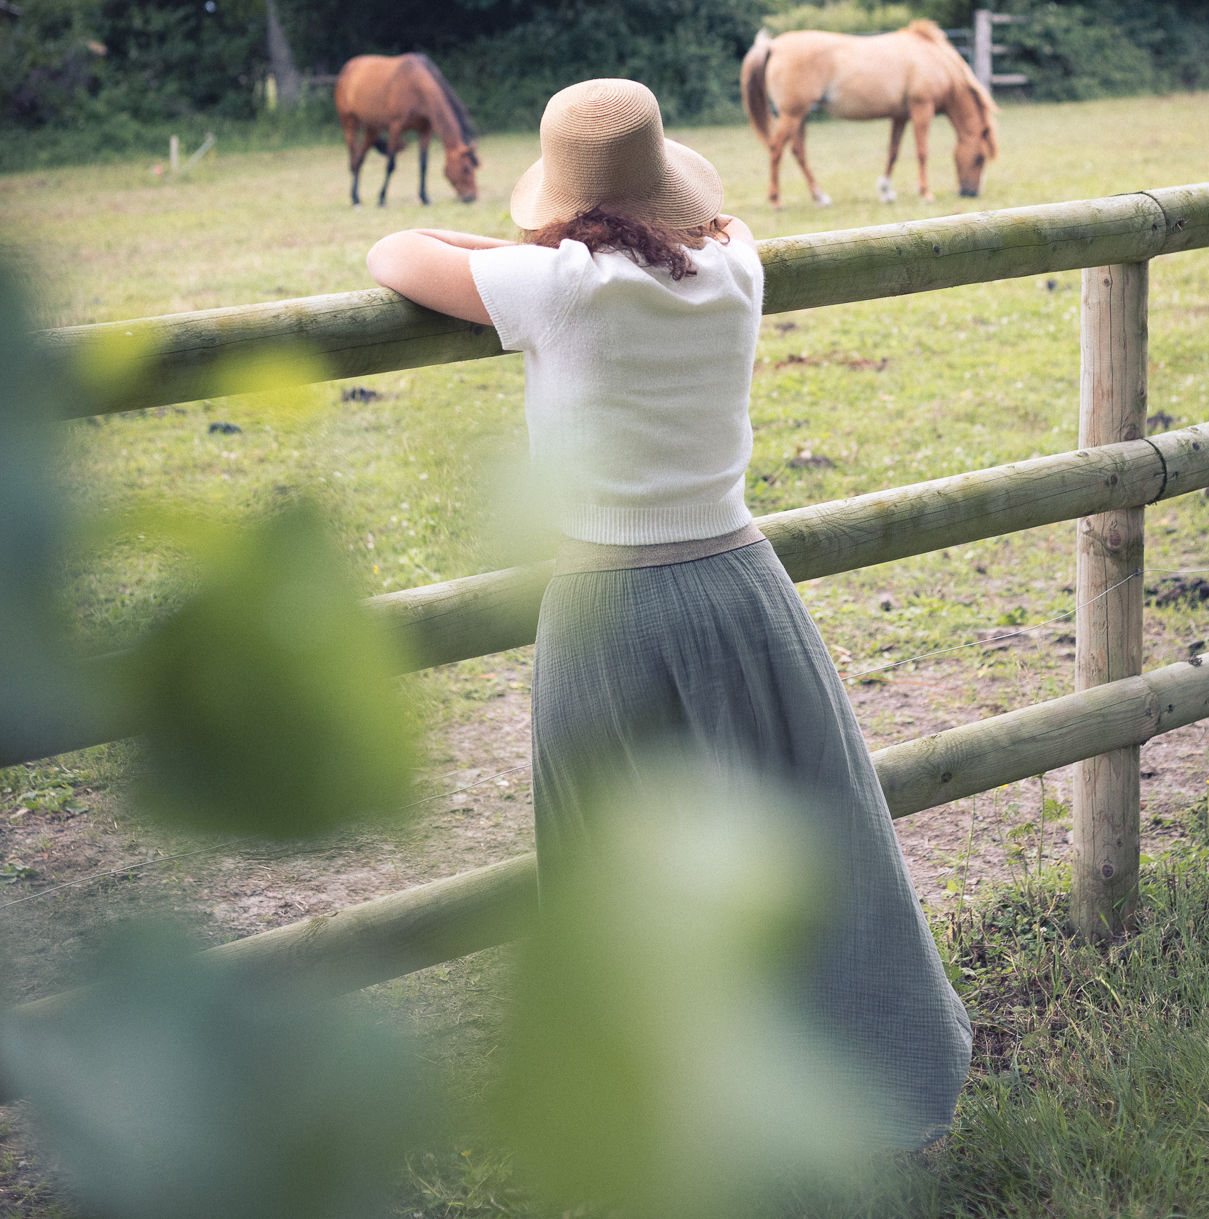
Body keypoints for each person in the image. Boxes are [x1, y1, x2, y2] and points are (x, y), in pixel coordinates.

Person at [367, 76, 971, 1149]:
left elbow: (397, 254)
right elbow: (708, 223)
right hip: (745, 586)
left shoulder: (556, 287)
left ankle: (661, 1116)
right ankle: (856, 1081)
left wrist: (541, 243)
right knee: (808, 836)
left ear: (563, 207)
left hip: (610, 603)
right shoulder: (739, 261)